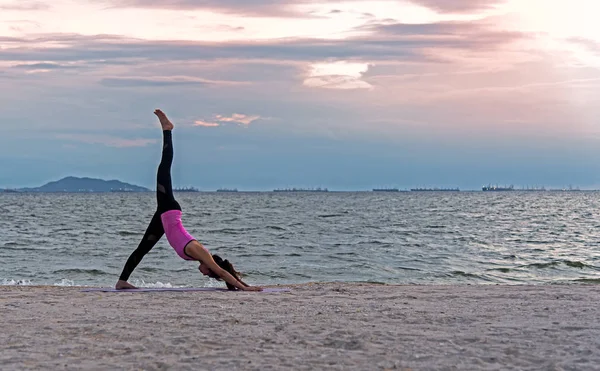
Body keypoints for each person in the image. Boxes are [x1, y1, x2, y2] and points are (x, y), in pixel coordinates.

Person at [115, 109, 262, 292]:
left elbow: (221, 272)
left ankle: (122, 281)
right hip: (169, 210)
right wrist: (244, 288)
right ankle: (167, 130)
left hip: (165, 218)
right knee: (164, 169)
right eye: (208, 273)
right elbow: (222, 273)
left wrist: (242, 286)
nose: (204, 274)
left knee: (142, 249)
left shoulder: (199, 256)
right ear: (211, 265)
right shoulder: (201, 253)